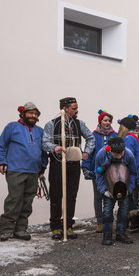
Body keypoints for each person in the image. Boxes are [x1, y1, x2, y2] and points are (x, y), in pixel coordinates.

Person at [42, 97, 95, 240]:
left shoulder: (79, 124)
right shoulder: (51, 124)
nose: (77, 111)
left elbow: (91, 138)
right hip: (57, 164)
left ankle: (68, 225)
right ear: (64, 108)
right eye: (74, 108)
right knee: (56, 195)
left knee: (71, 196)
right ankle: (55, 227)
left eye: (77, 108)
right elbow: (45, 142)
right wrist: (55, 147)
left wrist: (86, 152)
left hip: (73, 165)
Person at [0, 102, 48, 241]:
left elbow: (43, 151)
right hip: (15, 170)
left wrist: (43, 166)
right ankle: (6, 230)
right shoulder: (12, 127)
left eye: (36, 114)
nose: (33, 116)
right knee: (14, 200)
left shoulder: (40, 131)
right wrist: (1, 162)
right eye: (31, 113)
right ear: (23, 113)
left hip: (33, 172)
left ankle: (20, 229)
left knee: (27, 202)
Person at [94, 137, 137, 245]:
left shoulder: (128, 154)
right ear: (109, 151)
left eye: (121, 153)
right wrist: (103, 190)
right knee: (108, 211)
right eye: (116, 154)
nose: (119, 156)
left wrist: (130, 189)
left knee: (123, 211)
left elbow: (133, 173)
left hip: (124, 186)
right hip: (108, 187)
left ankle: (121, 233)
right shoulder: (101, 154)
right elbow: (98, 174)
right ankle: (107, 234)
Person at [82, 109, 117, 233]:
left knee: (110, 195)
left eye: (109, 121)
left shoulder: (115, 135)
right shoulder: (93, 135)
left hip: (112, 170)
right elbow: (89, 152)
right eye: (105, 120)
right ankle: (100, 222)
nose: (107, 123)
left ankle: (109, 220)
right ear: (100, 121)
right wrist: (85, 167)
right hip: (97, 171)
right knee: (98, 196)